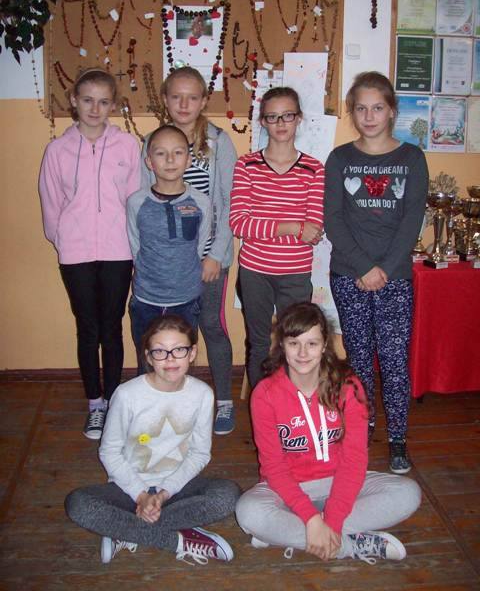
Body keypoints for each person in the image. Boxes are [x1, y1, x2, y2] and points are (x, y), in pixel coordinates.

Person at [235, 302, 421, 564]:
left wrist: (330, 520)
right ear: (282, 346)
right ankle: (350, 544)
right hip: (288, 488)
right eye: (294, 343)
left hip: (339, 481)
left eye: (312, 344)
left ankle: (290, 533)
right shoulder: (265, 394)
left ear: (324, 345)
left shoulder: (348, 386)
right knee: (248, 511)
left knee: (408, 493)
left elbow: (354, 460)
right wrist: (311, 517)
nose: (302, 353)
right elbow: (273, 467)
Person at [64, 314, 241, 566]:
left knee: (228, 495)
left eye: (179, 350)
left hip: (177, 489)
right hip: (128, 490)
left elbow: (200, 453)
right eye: (160, 351)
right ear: (148, 357)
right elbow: (109, 452)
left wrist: (164, 493)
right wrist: (140, 495)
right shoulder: (127, 395)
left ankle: (124, 530)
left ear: (192, 353)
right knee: (78, 504)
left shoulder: (202, 394)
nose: (170, 359)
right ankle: (179, 540)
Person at [324, 71, 429, 474]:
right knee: (360, 359)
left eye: (377, 108)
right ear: (352, 112)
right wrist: (363, 267)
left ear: (392, 111)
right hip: (348, 274)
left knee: (394, 359)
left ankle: (398, 438)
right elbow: (334, 219)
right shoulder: (340, 159)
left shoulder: (411, 158)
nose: (369, 117)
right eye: (361, 108)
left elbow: (412, 220)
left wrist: (383, 269)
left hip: (394, 277)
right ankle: (362, 428)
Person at [39, 67, 141, 441]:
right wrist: (64, 240)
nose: (95, 109)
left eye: (103, 102)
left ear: (113, 105)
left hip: (118, 251)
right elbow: (50, 202)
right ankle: (95, 404)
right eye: (87, 100)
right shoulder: (57, 150)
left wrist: (132, 244)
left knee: (111, 327)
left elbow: (135, 199)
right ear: (74, 101)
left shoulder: (127, 146)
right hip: (76, 253)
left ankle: (113, 402)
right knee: (88, 328)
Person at [141, 66, 237, 435]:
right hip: (167, 262)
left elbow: (229, 203)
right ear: (165, 99)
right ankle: (169, 401)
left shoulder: (219, 142)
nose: (184, 104)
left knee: (210, 325)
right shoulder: (152, 142)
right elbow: (143, 203)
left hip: (209, 258)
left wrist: (215, 255)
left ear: (203, 101)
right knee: (170, 333)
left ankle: (223, 401)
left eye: (192, 97)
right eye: (176, 97)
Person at [229, 87, 324, 388]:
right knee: (259, 343)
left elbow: (313, 230)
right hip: (255, 271)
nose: (281, 123)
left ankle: (291, 403)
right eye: (272, 117)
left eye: (287, 115)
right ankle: (262, 403)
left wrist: (271, 227)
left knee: (296, 343)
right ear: (263, 121)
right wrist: (292, 227)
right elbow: (239, 224)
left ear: (299, 119)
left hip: (295, 273)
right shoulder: (246, 165)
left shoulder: (314, 169)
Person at [128, 125, 211, 365]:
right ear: (149, 162)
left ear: (188, 160)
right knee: (148, 362)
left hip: (186, 299)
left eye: (178, 152)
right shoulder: (136, 202)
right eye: (161, 153)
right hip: (146, 299)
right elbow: (135, 246)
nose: (170, 160)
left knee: (180, 362)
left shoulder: (201, 202)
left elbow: (200, 245)